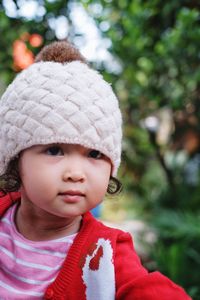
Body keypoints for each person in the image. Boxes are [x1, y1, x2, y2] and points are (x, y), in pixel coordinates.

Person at [0, 41, 191, 300]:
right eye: (55, 150)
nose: (76, 173)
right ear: (15, 159)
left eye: (94, 154)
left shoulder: (108, 254)